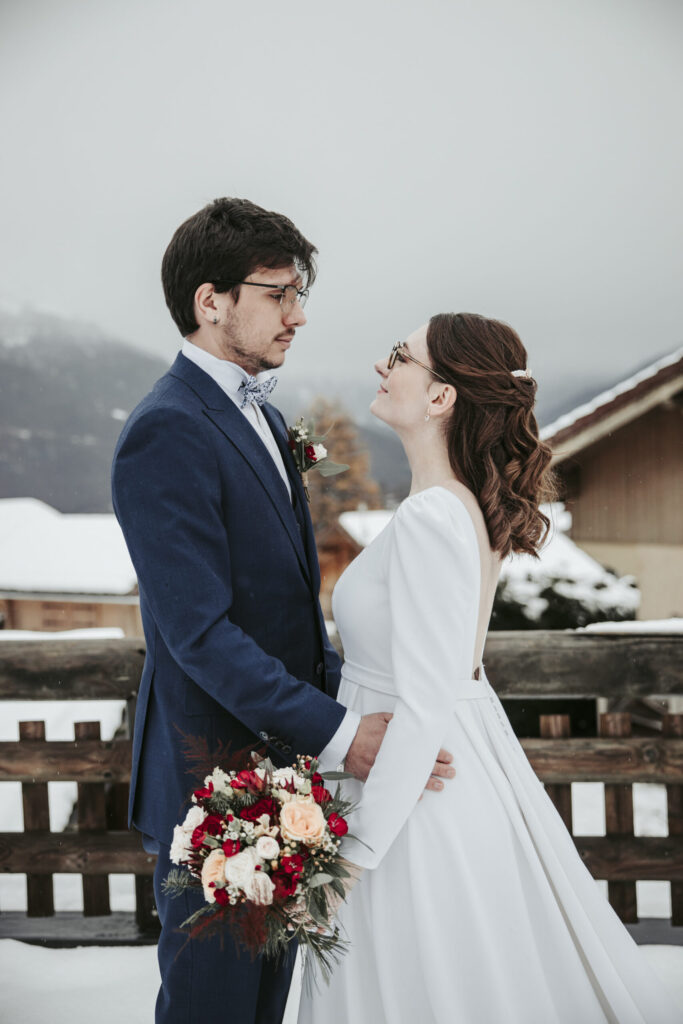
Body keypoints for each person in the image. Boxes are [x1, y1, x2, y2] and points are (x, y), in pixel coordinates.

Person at [111, 198, 453, 1024]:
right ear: (211, 301)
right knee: (212, 1010)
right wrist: (342, 734)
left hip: (285, 783)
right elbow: (199, 633)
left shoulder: (260, 414)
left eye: (299, 292)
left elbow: (290, 616)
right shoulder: (167, 430)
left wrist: (370, 713)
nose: (297, 314)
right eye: (278, 292)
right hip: (212, 789)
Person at [298, 314, 679, 1024]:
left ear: (441, 396)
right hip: (416, 773)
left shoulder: (429, 519)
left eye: (398, 356)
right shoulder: (455, 508)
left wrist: (351, 858)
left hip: (410, 798)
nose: (382, 367)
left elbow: (424, 700)